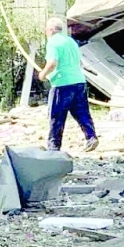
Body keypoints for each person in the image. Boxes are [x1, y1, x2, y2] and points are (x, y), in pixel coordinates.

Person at [38, 17, 98, 152]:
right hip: (78, 80)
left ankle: (53, 147)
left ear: (51, 30)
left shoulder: (53, 42)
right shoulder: (71, 41)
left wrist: (42, 74)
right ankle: (91, 137)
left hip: (62, 83)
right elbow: (80, 62)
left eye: (47, 30)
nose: (46, 32)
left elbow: (52, 63)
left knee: (57, 115)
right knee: (82, 113)